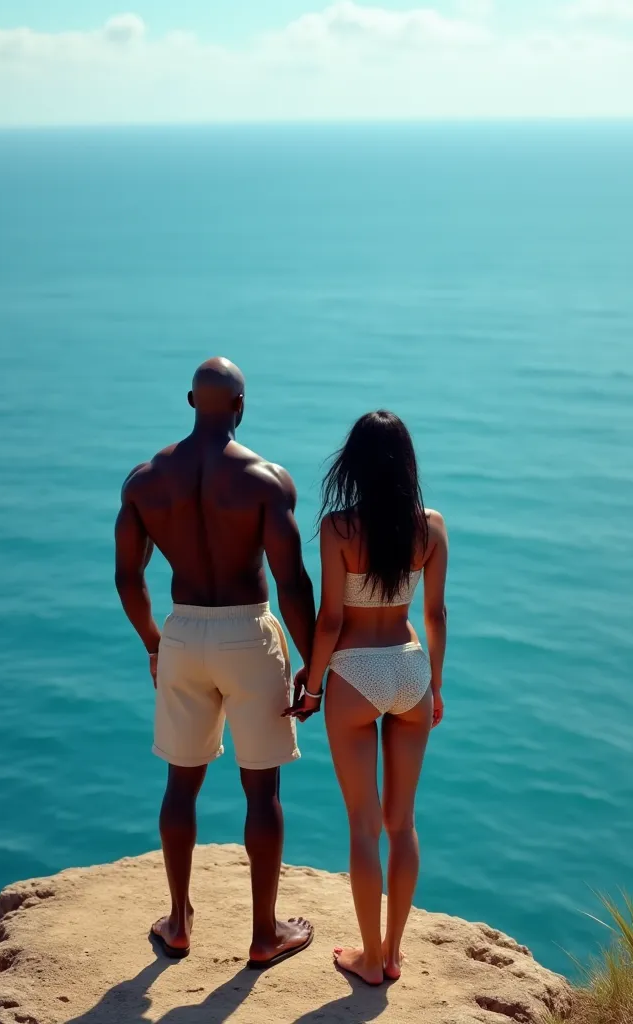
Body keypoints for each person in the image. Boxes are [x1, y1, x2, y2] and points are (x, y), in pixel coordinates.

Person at [115, 357, 317, 968]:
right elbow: (293, 584)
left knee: (181, 780)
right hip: (248, 634)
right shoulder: (265, 479)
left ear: (189, 401)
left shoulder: (145, 481)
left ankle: (177, 922)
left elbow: (128, 579)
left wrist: (154, 643)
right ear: (241, 405)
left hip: (181, 634)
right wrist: (315, 664)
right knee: (263, 788)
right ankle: (263, 935)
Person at [286, 410, 448, 986]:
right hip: (411, 669)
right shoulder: (429, 528)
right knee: (401, 825)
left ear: (353, 464)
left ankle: (370, 959)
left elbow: (330, 619)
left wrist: (311, 686)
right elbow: (434, 615)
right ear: (407, 465)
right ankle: (395, 954)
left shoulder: (339, 529)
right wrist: (437, 688)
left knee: (363, 827)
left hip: (354, 672)